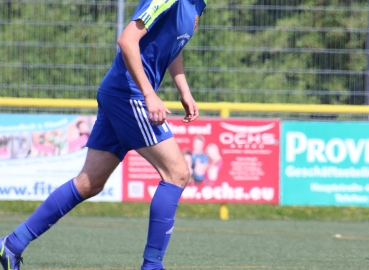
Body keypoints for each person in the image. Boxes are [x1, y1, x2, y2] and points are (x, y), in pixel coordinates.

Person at [0, 0, 207, 269]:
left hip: (119, 94)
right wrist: (149, 95)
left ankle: (12, 244)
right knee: (178, 173)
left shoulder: (197, 5)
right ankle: (152, 266)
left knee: (89, 183)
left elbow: (172, 45)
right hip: (128, 94)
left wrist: (184, 91)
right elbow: (127, 41)